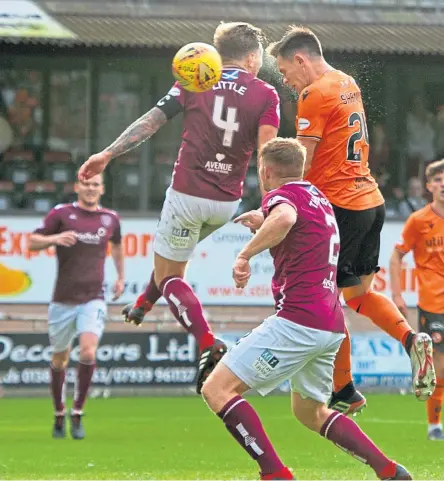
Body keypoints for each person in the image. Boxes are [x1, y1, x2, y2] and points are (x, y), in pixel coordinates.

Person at [236, 25, 435, 415]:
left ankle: (343, 388)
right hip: (370, 201)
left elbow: (301, 160)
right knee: (358, 295)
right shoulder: (346, 81)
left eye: (286, 72)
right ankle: (411, 340)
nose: (289, 83)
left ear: (300, 59)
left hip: (338, 205)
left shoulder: (314, 94)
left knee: (327, 299)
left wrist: (273, 204)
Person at [78, 22, 280, 393]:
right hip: (226, 203)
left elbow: (150, 124)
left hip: (188, 194)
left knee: (171, 275)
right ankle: (142, 303)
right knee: (172, 262)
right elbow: (267, 157)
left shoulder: (195, 78)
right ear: (253, 57)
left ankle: (207, 341)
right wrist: (270, 204)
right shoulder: (266, 94)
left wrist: (107, 153)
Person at [202, 137, 411, 481]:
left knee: (216, 389)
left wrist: (245, 255)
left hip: (298, 321)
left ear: (266, 171)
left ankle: (275, 474)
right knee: (310, 413)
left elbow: (284, 218)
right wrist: (262, 217)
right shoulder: (318, 198)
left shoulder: (281, 199)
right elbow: (292, 220)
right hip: (329, 325)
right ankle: (388, 469)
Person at [29, 174, 124, 439]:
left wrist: (120, 277)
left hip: (93, 298)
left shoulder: (110, 219)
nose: (91, 189)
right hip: (62, 300)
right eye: (87, 184)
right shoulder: (61, 214)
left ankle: (78, 412)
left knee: (88, 352)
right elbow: (31, 242)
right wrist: (55, 239)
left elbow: (117, 246)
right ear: (77, 187)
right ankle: (59, 412)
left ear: (102, 189)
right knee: (60, 358)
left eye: (96, 184)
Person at [390, 159, 444, 440]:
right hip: (433, 303)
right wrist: (397, 294)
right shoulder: (419, 220)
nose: (443, 184)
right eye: (437, 180)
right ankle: (435, 425)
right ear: (428, 186)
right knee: (439, 364)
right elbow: (397, 255)